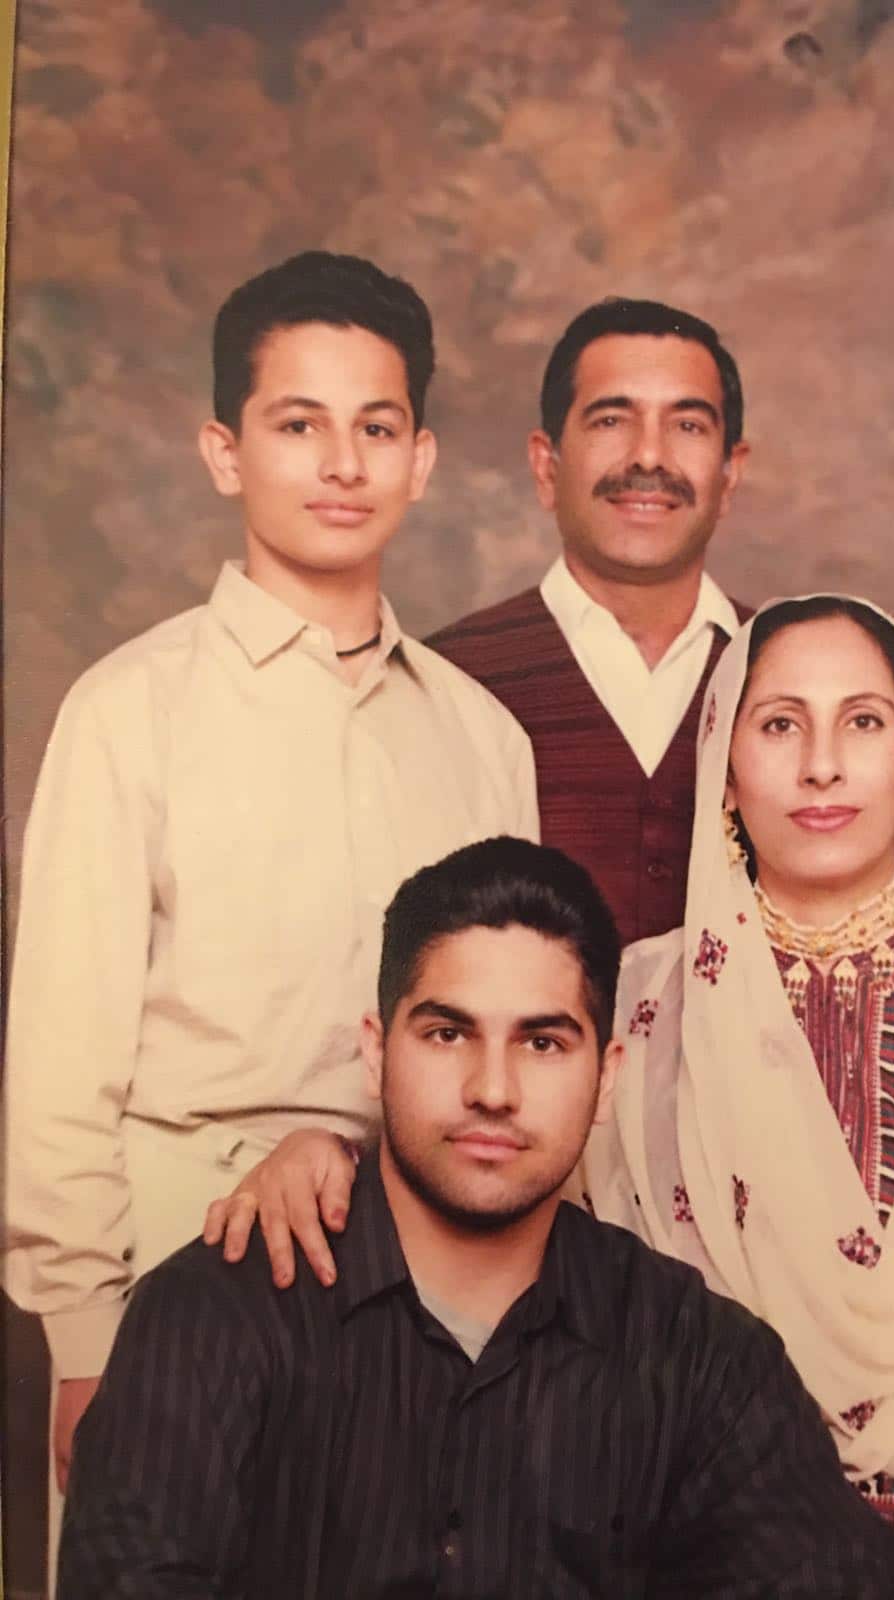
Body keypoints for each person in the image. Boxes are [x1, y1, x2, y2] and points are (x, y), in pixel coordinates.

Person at [218, 598, 894, 1598]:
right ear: (724, 765)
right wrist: (336, 1155)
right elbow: (503, 1228)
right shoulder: (631, 1012)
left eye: (862, 721)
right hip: (681, 1544)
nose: (820, 765)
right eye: (780, 724)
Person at [1, 251, 537, 1575]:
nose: (342, 464)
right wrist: (85, 1341)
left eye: (377, 428)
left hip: (423, 1272)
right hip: (176, 1256)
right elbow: (62, 1058)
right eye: (299, 424)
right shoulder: (130, 712)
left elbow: (515, 1036)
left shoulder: (483, 739)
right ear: (225, 452)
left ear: (421, 459)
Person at [60, 838, 894, 1599]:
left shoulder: (697, 1358)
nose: (492, 1090)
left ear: (607, 1077)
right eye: (447, 1034)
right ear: (375, 1053)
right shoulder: (212, 1318)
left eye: (543, 1043)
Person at [426, 297, 753, 945]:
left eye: (688, 425)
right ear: (546, 466)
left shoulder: (787, 670)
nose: (649, 457)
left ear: (730, 473)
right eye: (611, 420)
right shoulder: (443, 679)